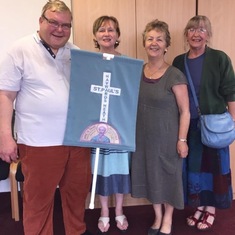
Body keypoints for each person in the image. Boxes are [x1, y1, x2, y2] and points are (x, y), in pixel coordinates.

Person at [0, 1, 93, 235]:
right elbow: (5, 96)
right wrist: (5, 137)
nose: (59, 29)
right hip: (39, 142)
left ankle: (76, 231)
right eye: (53, 23)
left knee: (76, 193)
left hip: (76, 140)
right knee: (38, 200)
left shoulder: (76, 52)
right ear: (41, 21)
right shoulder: (19, 49)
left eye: (65, 25)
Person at [172, 15, 235, 231]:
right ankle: (198, 206)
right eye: (191, 30)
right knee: (195, 168)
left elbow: (230, 91)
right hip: (189, 125)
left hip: (214, 125)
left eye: (201, 30)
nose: (196, 34)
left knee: (214, 169)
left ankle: (211, 209)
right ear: (186, 34)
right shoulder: (179, 61)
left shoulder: (219, 58)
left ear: (208, 34)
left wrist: (232, 123)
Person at [131, 19, 190, 235]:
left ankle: (168, 220)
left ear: (166, 45)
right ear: (144, 43)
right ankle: (157, 217)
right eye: (150, 39)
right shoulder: (137, 71)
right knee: (150, 176)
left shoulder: (175, 75)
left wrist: (182, 140)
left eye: (159, 39)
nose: (154, 43)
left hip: (167, 140)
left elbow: (185, 111)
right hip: (142, 138)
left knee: (168, 178)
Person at [91, 15, 130, 234]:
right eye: (102, 30)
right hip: (97, 127)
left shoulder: (127, 64)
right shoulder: (88, 62)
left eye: (111, 30)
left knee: (119, 168)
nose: (107, 34)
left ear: (117, 35)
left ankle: (120, 210)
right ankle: (104, 211)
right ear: (95, 35)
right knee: (102, 169)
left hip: (120, 126)